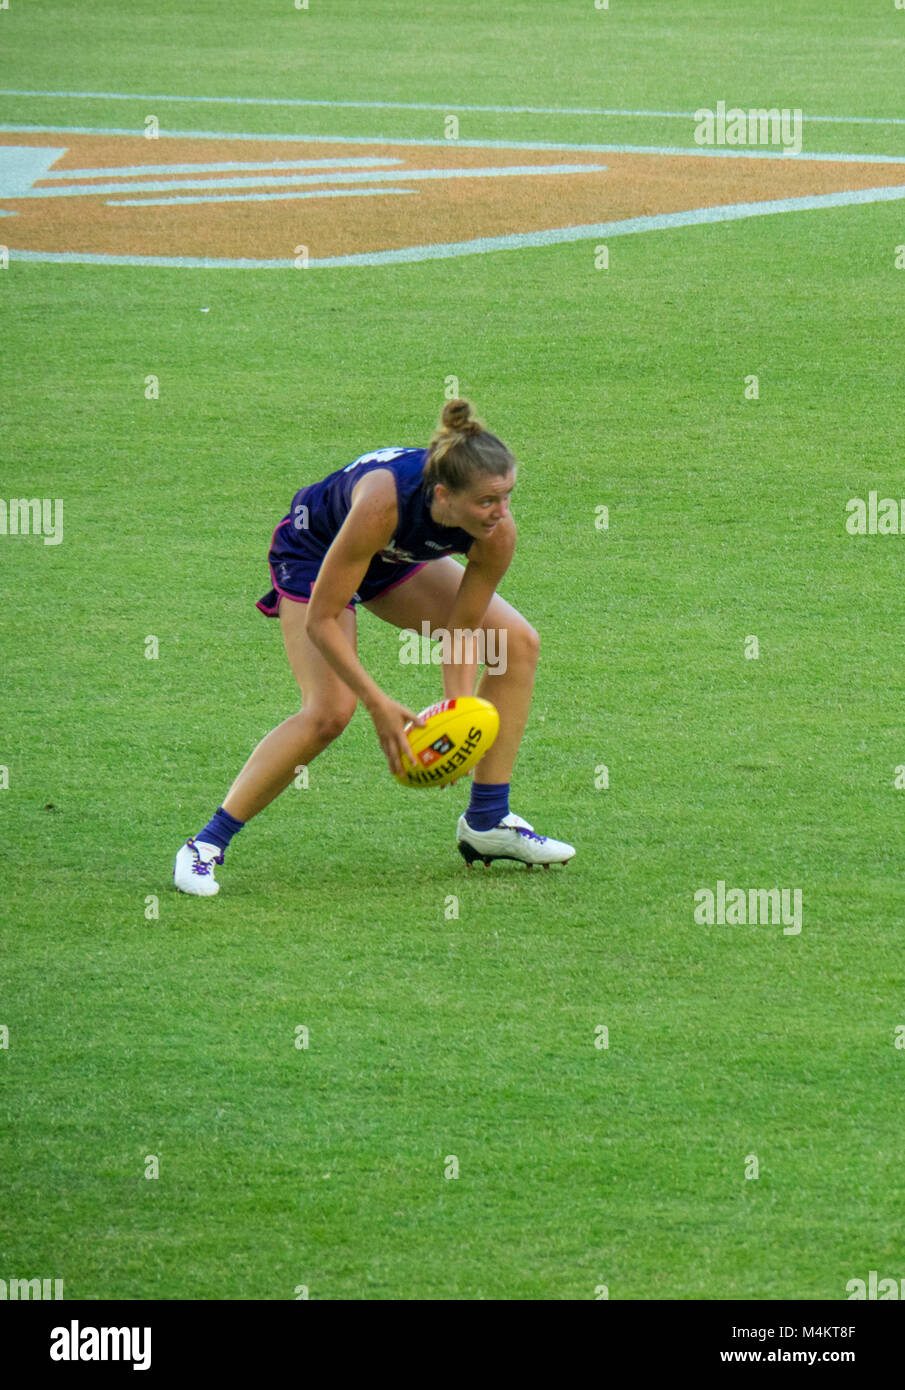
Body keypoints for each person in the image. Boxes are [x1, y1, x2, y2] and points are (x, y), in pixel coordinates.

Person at [173, 398, 575, 895]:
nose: (501, 513)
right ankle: (205, 845)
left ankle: (488, 821)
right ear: (445, 496)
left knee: (514, 642)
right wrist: (378, 702)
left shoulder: (495, 534)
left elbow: (464, 628)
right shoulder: (383, 502)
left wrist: (459, 715)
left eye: (508, 496)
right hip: (317, 553)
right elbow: (321, 620)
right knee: (328, 712)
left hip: (391, 557)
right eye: (488, 501)